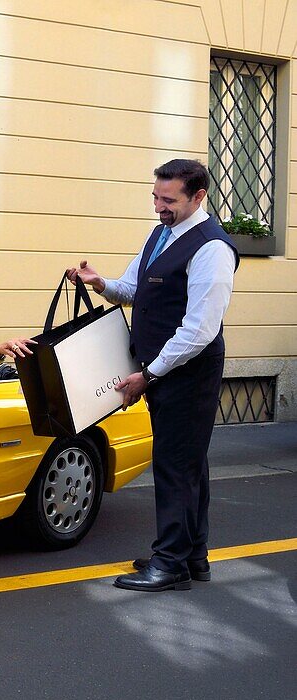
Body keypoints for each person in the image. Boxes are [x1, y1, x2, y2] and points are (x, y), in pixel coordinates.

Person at [67, 158, 239, 592]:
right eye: (155, 197)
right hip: (165, 372)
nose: (159, 207)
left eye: (169, 199)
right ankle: (191, 557)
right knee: (188, 466)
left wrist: (149, 375)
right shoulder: (162, 233)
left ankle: (170, 564)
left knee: (175, 467)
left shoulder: (212, 249)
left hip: (188, 374)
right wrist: (99, 282)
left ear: (198, 197)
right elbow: (135, 289)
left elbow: (199, 330)